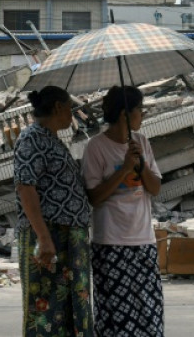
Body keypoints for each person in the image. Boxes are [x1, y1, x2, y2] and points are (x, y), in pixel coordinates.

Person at [82, 85, 164, 337]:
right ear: (124, 114)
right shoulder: (95, 147)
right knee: (116, 315)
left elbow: (155, 187)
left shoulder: (141, 142)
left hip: (143, 241)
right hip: (111, 244)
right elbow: (94, 197)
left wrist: (140, 166)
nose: (143, 114)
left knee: (150, 313)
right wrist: (124, 168)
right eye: (139, 109)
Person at [14, 85, 93, 337]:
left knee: (71, 306)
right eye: (70, 108)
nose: (71, 115)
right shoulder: (32, 138)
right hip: (50, 237)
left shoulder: (51, 139)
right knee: (46, 309)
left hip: (69, 237)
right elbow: (26, 188)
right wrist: (44, 237)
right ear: (58, 107)